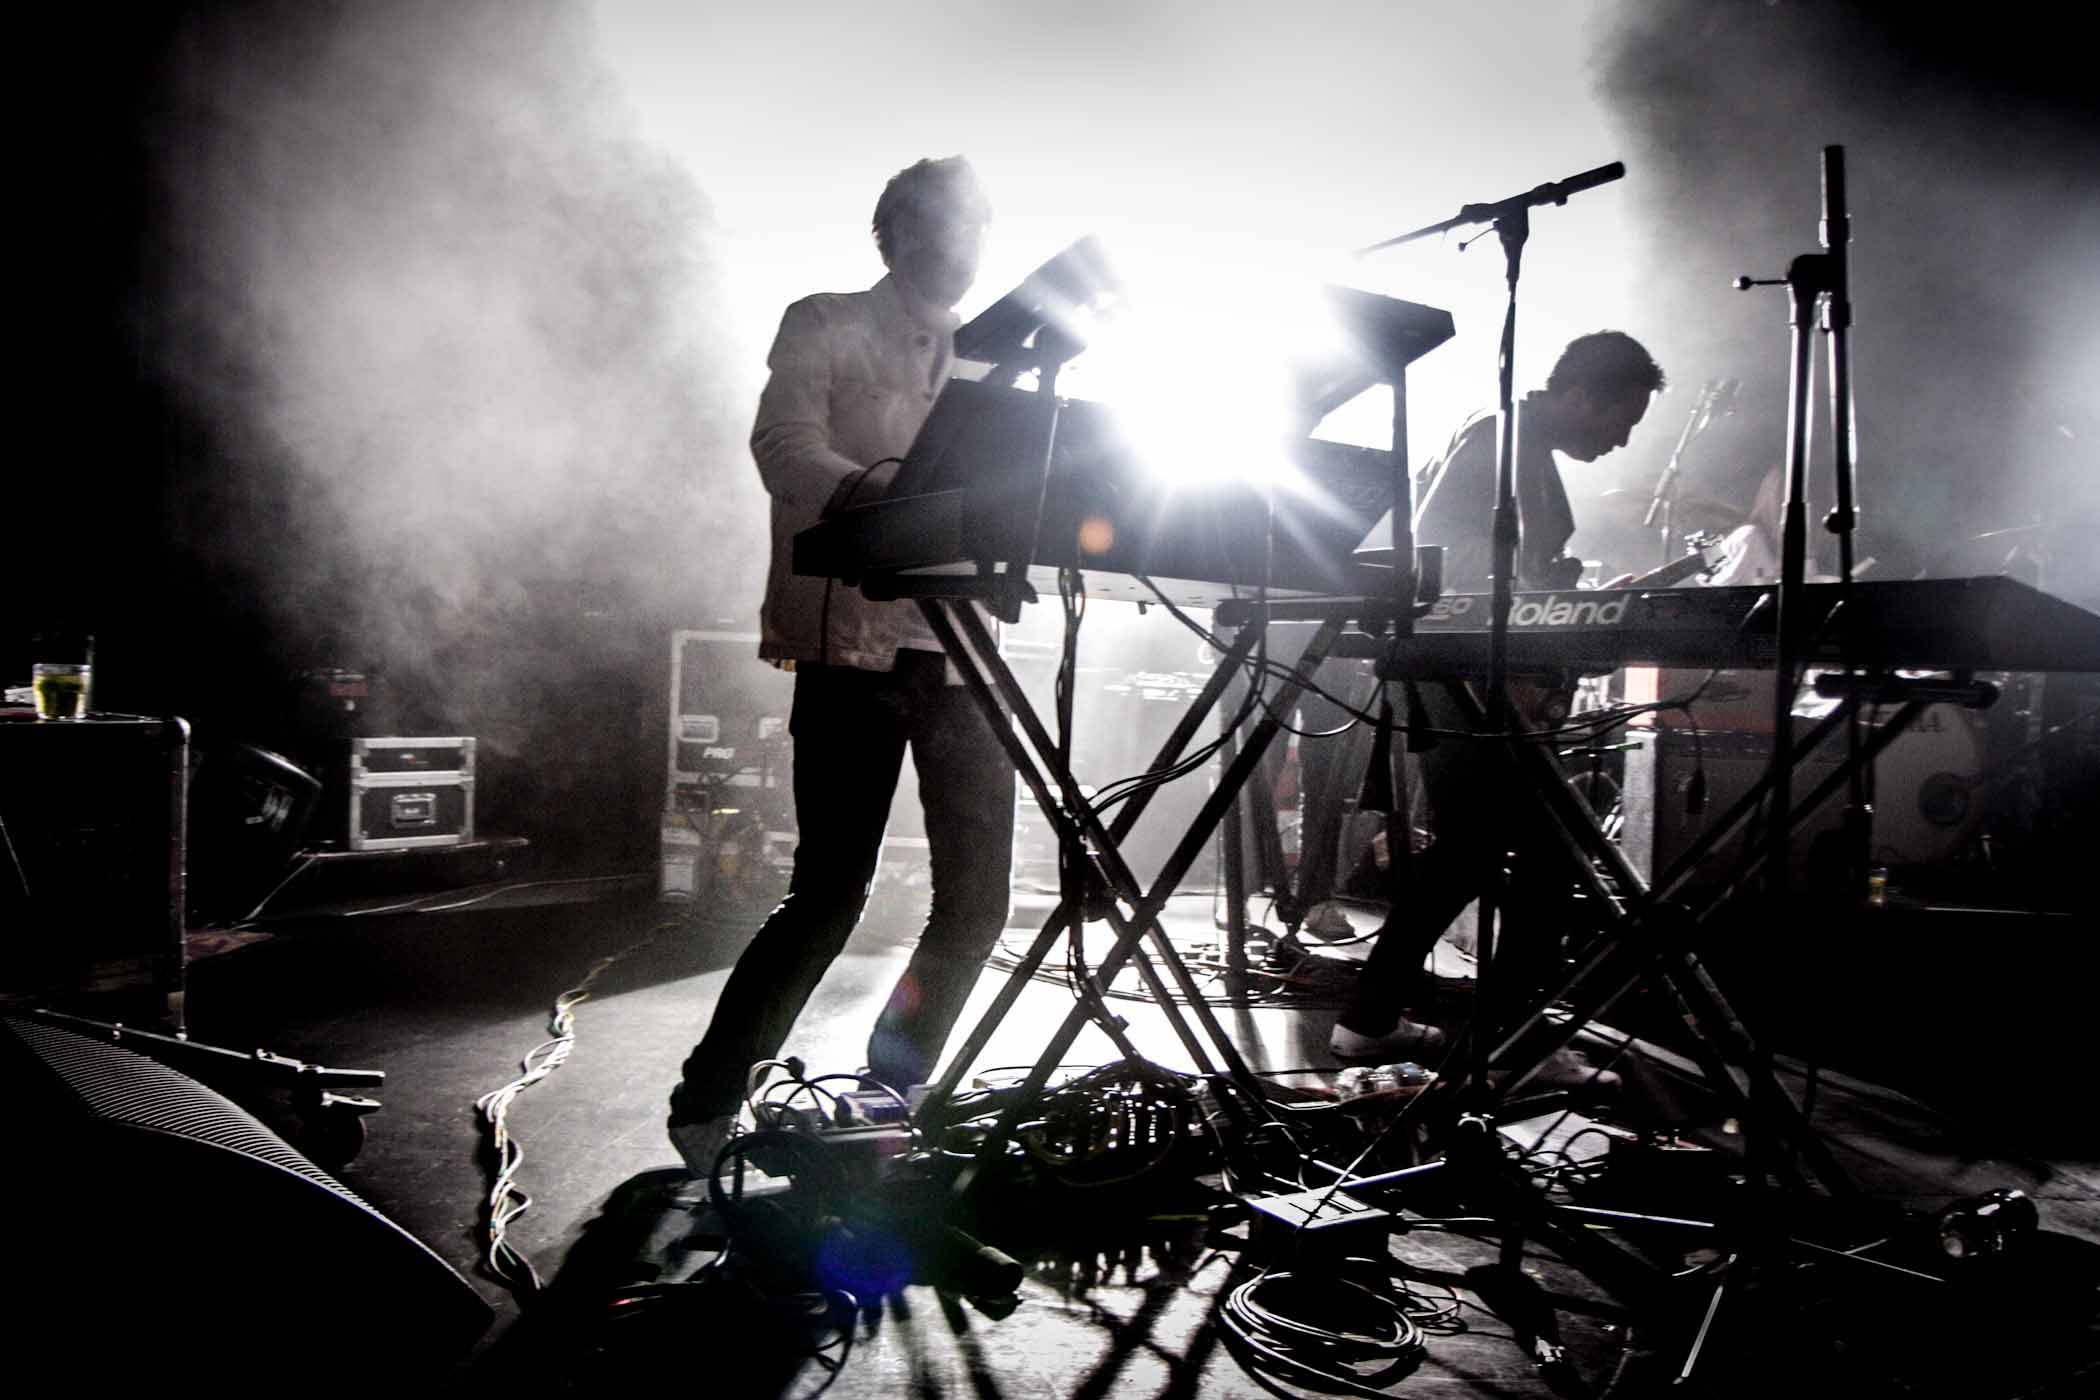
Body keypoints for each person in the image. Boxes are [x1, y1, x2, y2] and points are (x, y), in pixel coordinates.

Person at [667, 157, 1013, 1174]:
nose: (964, 245)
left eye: (978, 227)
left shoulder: (995, 353)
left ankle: (888, 1087)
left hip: (963, 649)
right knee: (829, 893)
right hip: (854, 643)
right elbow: (782, 446)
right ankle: (709, 1094)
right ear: (895, 232)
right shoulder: (823, 320)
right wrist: (882, 498)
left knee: (978, 901)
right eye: (946, 224)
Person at [1328, 332, 1666, 1083]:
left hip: (1457, 669)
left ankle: (1370, 1023)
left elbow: (1506, 576)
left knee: (1471, 848)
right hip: (1461, 672)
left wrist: (1577, 601)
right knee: (1546, 849)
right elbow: (1458, 567)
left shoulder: (1513, 444)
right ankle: (1511, 1046)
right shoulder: (1501, 443)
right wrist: (1563, 609)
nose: (1621, 440)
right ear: (1580, 395)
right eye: (1622, 419)